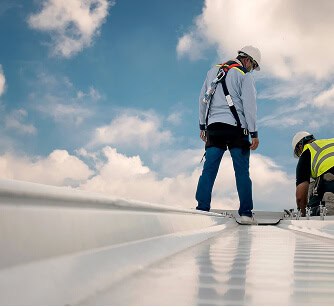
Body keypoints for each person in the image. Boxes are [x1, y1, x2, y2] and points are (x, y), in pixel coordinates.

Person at [195, 45, 261, 224]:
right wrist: (254, 133)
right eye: (253, 66)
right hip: (236, 130)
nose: (252, 70)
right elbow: (250, 106)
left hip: (214, 128)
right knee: (241, 172)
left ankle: (202, 209)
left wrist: (203, 126)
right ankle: (246, 213)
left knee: (208, 171)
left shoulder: (212, 71)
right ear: (247, 60)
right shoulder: (244, 76)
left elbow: (203, 99)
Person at [292, 131, 334, 216]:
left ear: (300, 146)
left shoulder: (307, 151)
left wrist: (303, 213)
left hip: (331, 176)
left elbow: (300, 196)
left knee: (313, 204)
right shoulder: (330, 142)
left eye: (298, 153)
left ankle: (327, 205)